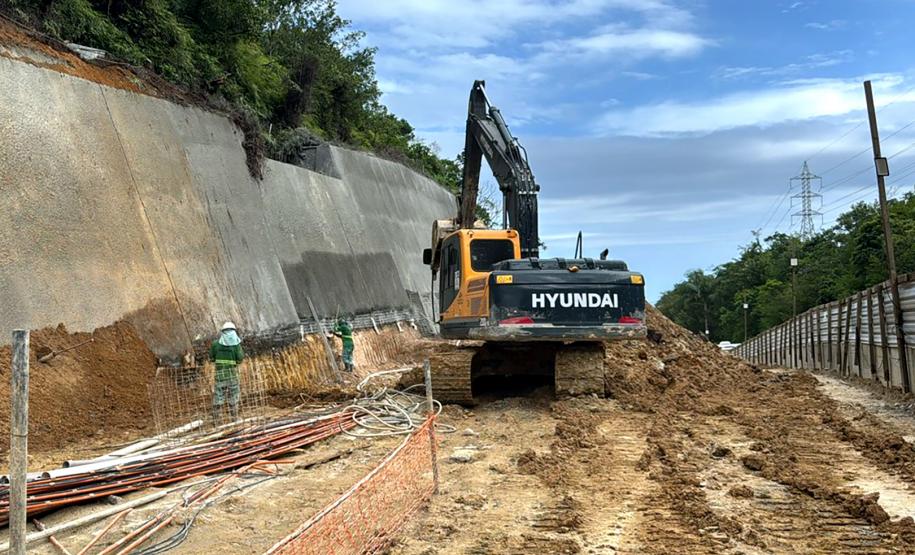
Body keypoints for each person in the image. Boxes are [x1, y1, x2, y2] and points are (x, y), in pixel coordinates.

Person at [210, 321, 244, 420]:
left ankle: (217, 418)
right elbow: (240, 359)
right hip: (232, 375)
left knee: (218, 395)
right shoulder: (236, 346)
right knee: (233, 395)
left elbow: (211, 358)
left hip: (220, 375)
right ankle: (234, 417)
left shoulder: (215, 344)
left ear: (223, 332)